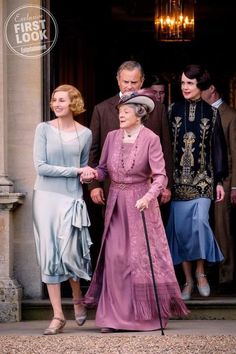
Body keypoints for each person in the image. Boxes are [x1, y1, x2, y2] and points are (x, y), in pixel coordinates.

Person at [81, 90, 189, 333]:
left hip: (141, 204)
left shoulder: (151, 138)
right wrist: (92, 175)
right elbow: (102, 169)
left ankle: (144, 317)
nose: (121, 115)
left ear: (139, 114)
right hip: (117, 202)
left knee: (138, 260)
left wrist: (148, 197)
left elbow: (161, 175)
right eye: (120, 112)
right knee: (115, 257)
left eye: (126, 112)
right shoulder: (111, 137)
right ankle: (112, 318)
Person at [33, 84, 93, 335]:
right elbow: (41, 166)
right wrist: (77, 172)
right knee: (50, 254)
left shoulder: (86, 133)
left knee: (71, 253)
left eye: (62, 100)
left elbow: (84, 167)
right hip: (45, 197)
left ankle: (77, 296)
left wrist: (86, 175)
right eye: (54, 100)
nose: (56, 104)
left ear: (73, 104)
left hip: (71, 198)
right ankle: (58, 315)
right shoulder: (43, 129)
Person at [166, 64, 228, 301]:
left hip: (203, 182)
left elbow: (219, 148)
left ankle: (201, 272)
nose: (185, 87)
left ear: (200, 86)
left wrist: (220, 181)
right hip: (177, 183)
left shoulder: (212, 113)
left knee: (200, 223)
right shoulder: (172, 110)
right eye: (182, 83)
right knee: (180, 231)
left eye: (189, 83)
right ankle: (188, 279)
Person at [88, 60, 173, 208]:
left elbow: (166, 149)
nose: (129, 86)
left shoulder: (158, 109)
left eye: (134, 82)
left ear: (142, 81)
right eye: (125, 81)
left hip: (149, 188)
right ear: (118, 80)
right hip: (112, 187)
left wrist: (167, 184)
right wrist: (94, 185)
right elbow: (93, 150)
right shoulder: (101, 110)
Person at [201, 73, 236, 291]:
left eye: (200, 89)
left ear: (211, 89)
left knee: (223, 228)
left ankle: (227, 276)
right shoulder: (202, 113)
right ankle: (208, 273)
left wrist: (234, 185)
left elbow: (235, 153)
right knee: (204, 226)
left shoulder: (230, 115)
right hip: (203, 181)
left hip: (225, 180)